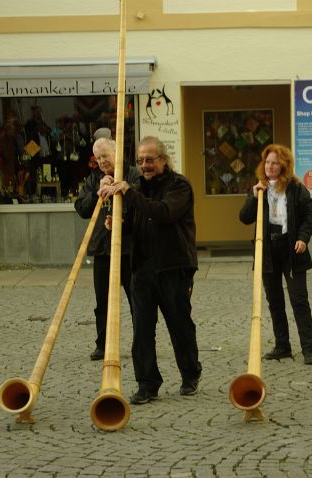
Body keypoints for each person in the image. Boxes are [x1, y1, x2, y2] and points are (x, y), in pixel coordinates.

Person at [99, 136, 202, 404]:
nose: (145, 165)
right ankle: (147, 383)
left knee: (179, 324)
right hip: (142, 268)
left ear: (163, 160)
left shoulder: (179, 186)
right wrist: (118, 223)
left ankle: (190, 375)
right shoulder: (136, 189)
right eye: (141, 160)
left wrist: (130, 195)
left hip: (173, 267)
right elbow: (138, 224)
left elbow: (164, 213)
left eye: (150, 159)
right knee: (142, 328)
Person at [239, 144, 312, 365]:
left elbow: (309, 216)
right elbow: (244, 218)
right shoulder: (260, 188)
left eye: (274, 163)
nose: (269, 166)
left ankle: (309, 348)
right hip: (267, 250)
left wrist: (303, 238)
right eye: (267, 162)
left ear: (284, 166)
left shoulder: (296, 188)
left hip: (292, 248)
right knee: (274, 301)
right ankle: (282, 345)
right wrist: (254, 197)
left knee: (299, 300)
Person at [75, 136, 139, 360]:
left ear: (117, 154)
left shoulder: (133, 175)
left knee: (137, 300)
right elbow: (81, 208)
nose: (102, 161)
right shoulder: (94, 179)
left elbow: (144, 204)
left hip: (130, 250)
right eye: (98, 157)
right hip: (103, 249)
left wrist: (125, 193)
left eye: (106, 156)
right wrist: (96, 194)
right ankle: (103, 345)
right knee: (102, 301)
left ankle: (140, 345)